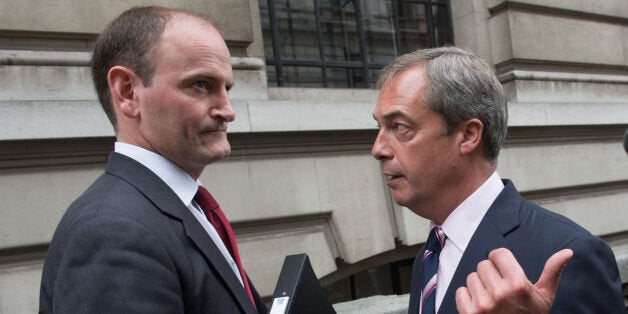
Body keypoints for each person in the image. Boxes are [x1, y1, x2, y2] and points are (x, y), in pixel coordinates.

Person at [39, 6, 266, 313]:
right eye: (201, 85)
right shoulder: (112, 233)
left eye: (226, 88)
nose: (228, 110)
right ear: (128, 92)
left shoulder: (178, 208)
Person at [371, 47, 625, 313]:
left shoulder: (569, 254)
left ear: (468, 135)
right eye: (379, 127)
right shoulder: (429, 257)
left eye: (399, 127)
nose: (378, 149)